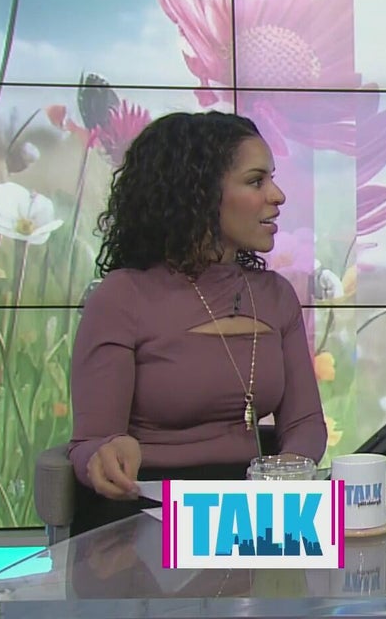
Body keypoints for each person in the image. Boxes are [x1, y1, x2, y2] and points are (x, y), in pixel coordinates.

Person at [68, 111, 326, 533]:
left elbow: (304, 423)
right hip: (148, 510)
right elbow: (87, 445)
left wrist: (288, 473)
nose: (277, 195)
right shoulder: (122, 297)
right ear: (200, 193)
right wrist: (105, 456)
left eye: (272, 179)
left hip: (251, 510)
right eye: (256, 181)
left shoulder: (276, 296)